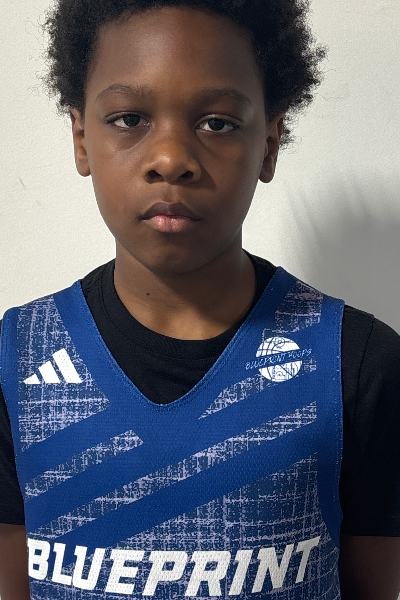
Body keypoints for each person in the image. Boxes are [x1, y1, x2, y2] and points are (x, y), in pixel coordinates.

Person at [0, 0, 400, 598]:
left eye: (216, 123)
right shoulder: (16, 359)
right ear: (81, 138)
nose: (171, 160)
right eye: (130, 118)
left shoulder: (358, 363)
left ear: (269, 144)